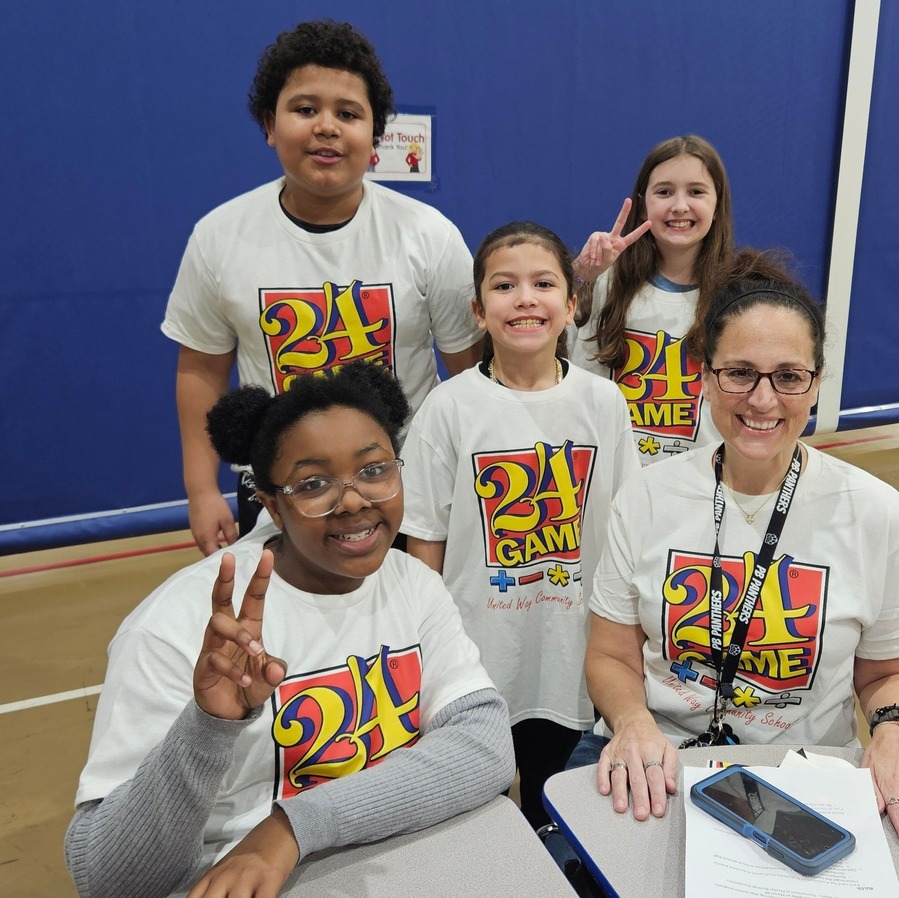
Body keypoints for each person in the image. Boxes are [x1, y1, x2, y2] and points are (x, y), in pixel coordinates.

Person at [65, 363, 514, 898]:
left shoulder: (413, 584)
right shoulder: (176, 626)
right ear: (272, 505)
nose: (354, 500)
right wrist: (207, 727)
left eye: (374, 470)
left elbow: (485, 747)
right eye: (314, 484)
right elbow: (108, 879)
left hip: (390, 856)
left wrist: (292, 828)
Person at [579, 252, 899, 854]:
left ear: (815, 383)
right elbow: (611, 656)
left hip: (807, 776)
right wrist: (632, 722)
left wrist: (896, 733)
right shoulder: (646, 497)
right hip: (664, 764)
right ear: (705, 376)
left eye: (788, 376)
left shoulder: (874, 511)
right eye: (740, 373)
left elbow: (893, 673)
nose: (763, 399)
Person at [162, 20, 482, 556]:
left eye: (348, 114)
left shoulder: (430, 236)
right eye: (306, 109)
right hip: (279, 488)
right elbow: (200, 370)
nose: (327, 127)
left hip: (407, 488)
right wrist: (201, 490)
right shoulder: (219, 236)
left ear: (375, 136)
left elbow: (471, 376)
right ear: (271, 124)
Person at [400, 222, 639, 830]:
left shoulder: (604, 402)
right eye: (504, 286)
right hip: (479, 653)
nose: (525, 298)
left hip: (570, 651)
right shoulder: (447, 407)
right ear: (479, 311)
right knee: (475, 814)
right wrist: (430, 647)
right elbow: (425, 538)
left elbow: (625, 531)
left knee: (552, 805)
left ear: (572, 304)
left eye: (544, 284)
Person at [570, 135, 735, 464]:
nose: (679, 206)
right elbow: (558, 364)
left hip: (698, 478)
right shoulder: (607, 280)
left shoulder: (736, 295)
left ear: (718, 206)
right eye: (664, 192)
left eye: (696, 192)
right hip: (612, 472)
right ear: (643, 203)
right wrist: (580, 276)